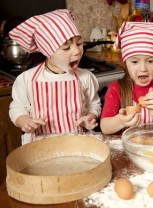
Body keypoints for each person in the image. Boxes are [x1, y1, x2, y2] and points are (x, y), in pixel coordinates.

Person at [9, 9, 101, 144]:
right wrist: (25, 121)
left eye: (79, 43)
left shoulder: (85, 77)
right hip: (39, 148)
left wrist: (90, 117)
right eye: (66, 48)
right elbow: (17, 108)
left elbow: (94, 104)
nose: (77, 51)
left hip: (78, 145)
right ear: (48, 51)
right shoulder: (27, 79)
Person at [100, 21, 153, 134]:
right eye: (135, 61)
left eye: (150, 61)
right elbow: (105, 127)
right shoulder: (116, 88)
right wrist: (121, 120)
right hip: (128, 149)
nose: (143, 68)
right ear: (125, 62)